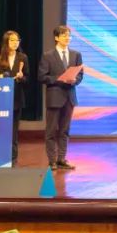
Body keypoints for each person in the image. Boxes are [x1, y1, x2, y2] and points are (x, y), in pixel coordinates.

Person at [38, 24, 83, 171]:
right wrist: (60, 79)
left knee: (64, 130)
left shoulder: (76, 55)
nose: (67, 38)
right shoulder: (48, 55)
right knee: (51, 131)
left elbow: (80, 74)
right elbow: (42, 77)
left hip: (70, 97)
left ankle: (62, 159)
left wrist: (74, 80)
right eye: (64, 35)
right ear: (56, 38)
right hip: (54, 97)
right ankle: (52, 161)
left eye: (69, 35)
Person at [0, 30, 30, 164]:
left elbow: (27, 78)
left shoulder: (23, 57)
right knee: (0, 128)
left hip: (16, 98)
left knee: (14, 130)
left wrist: (21, 77)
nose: (15, 43)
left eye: (17, 40)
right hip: (0, 99)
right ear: (6, 42)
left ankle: (13, 157)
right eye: (12, 40)